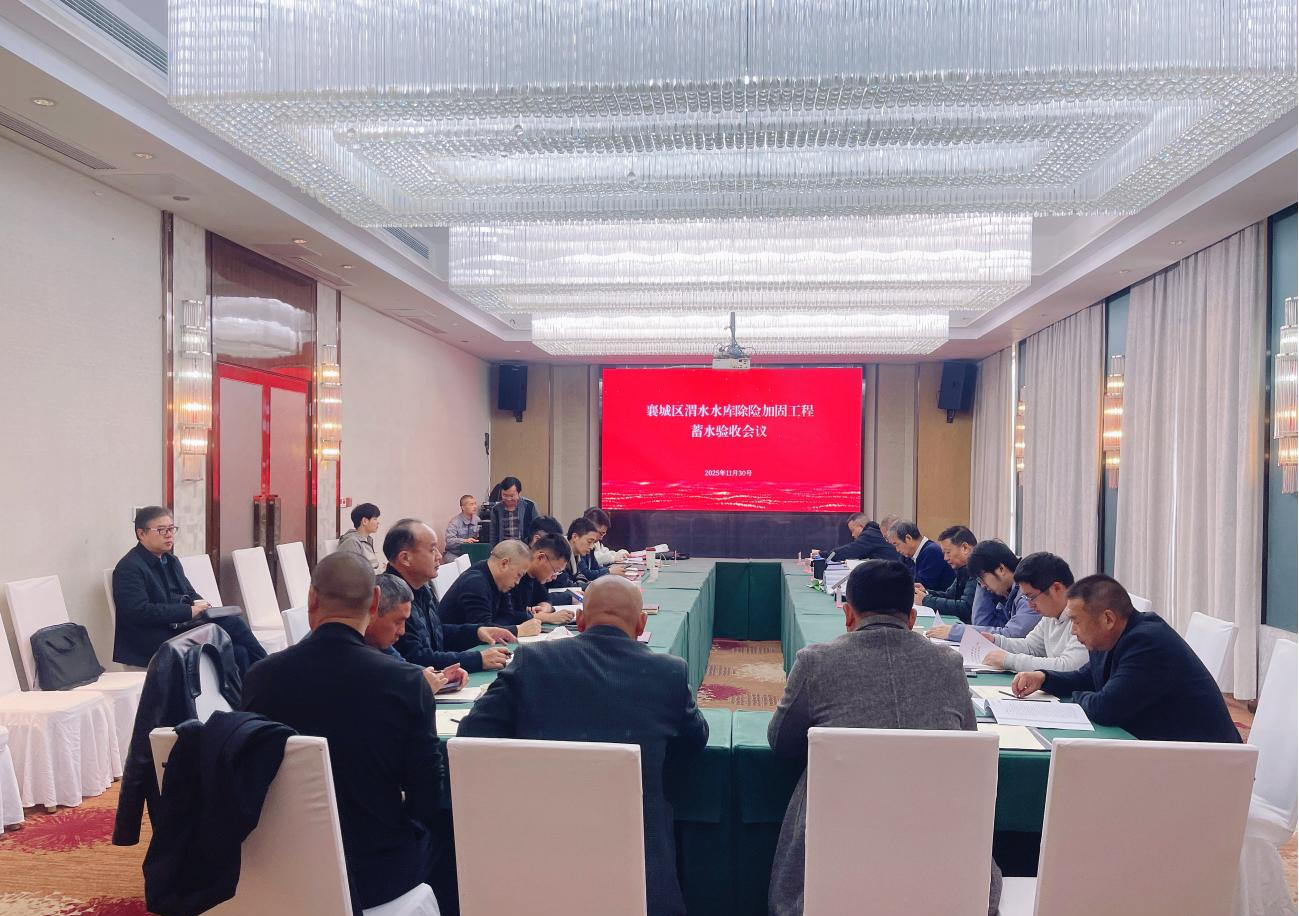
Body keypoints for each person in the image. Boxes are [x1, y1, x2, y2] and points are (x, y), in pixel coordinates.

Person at [458, 575, 708, 916]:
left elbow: (473, 734)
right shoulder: (669, 673)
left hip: (536, 851)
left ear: (579, 620)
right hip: (642, 867)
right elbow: (695, 741)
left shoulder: (532, 660)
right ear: (641, 625)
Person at [767, 559, 1001, 916]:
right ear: (912, 618)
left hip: (833, 865)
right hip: (942, 865)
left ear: (848, 615)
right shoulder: (948, 665)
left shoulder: (817, 662)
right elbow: (965, 748)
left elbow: (782, 742)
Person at [240, 552, 455, 912]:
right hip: (377, 873)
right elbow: (426, 800)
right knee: (448, 835)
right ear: (374, 601)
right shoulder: (405, 682)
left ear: (312, 599)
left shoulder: (260, 677)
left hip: (289, 863)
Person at [1011, 575, 1242, 743]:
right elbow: (1088, 677)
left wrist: (1076, 698)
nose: (1073, 630)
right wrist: (1044, 678)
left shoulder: (1147, 643)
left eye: (1076, 621)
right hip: (1168, 751)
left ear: (1108, 619)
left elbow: (1106, 708)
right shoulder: (1112, 635)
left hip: (1206, 765)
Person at [112, 506, 267, 671]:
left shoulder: (171, 561)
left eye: (171, 529)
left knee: (239, 652)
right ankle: (268, 669)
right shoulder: (129, 568)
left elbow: (190, 593)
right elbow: (140, 612)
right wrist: (188, 611)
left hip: (178, 628)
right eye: (161, 530)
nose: (169, 534)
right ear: (141, 533)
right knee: (233, 623)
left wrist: (202, 606)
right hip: (152, 640)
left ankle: (256, 683)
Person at [383, 518, 516, 674]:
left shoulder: (422, 588)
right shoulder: (392, 599)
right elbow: (415, 658)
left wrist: (477, 632)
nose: (439, 556)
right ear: (405, 558)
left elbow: (437, 633)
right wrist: (477, 659)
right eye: (432, 549)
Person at [978, 552, 1087, 673]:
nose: (1030, 605)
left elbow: (1068, 666)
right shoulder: (1050, 615)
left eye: (1031, 597)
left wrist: (1009, 660)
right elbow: (1031, 647)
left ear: (1056, 588)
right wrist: (996, 641)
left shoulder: (1085, 616)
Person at [366, 573, 466, 690]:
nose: (402, 631)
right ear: (373, 610)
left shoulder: (382, 644)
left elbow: (405, 669)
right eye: (397, 622)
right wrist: (419, 689)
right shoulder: (355, 655)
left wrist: (440, 676)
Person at [926, 540, 1040, 642]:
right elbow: (982, 623)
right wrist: (984, 582)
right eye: (979, 582)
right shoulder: (1006, 590)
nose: (983, 586)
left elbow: (1012, 635)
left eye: (982, 578)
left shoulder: (1029, 590)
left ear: (1001, 569)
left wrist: (958, 632)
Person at [436, 540, 541, 636]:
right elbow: (483, 632)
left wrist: (499, 626)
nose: (517, 582)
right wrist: (518, 630)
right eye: (518, 575)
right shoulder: (475, 583)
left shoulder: (499, 580)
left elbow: (508, 616)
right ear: (504, 564)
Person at [506, 533, 578, 626]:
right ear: (541, 558)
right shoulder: (514, 576)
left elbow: (545, 598)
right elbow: (507, 614)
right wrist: (547, 617)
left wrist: (544, 608)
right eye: (555, 571)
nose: (555, 577)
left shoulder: (536, 577)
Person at [916, 525, 979, 624]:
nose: (945, 558)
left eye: (948, 552)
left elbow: (965, 607)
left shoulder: (978, 569)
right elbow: (950, 595)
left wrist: (926, 600)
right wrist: (925, 593)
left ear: (965, 548)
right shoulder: (962, 569)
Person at [886, 520, 954, 591]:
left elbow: (920, 587)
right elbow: (897, 576)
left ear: (908, 538)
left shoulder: (932, 551)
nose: (897, 550)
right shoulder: (907, 555)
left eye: (896, 544)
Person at [823, 513, 901, 563]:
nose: (852, 535)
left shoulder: (869, 535)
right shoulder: (874, 532)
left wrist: (823, 554)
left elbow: (849, 551)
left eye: (853, 530)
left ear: (861, 526)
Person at [552, 516, 602, 589]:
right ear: (575, 537)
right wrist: (591, 586)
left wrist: (586, 584)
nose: (591, 547)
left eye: (593, 543)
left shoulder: (576, 555)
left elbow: (579, 575)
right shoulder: (559, 553)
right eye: (589, 542)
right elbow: (565, 584)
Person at [488, 476, 538, 545]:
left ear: (519, 493)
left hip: (524, 547)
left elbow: (536, 529)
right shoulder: (496, 509)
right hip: (503, 547)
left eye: (512, 496)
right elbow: (493, 535)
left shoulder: (530, 506)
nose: (508, 499)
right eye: (505, 495)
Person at [338, 502, 383, 573]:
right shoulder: (351, 542)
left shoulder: (367, 539)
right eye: (375, 519)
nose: (378, 522)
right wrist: (380, 571)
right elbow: (351, 572)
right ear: (364, 521)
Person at [443, 495, 481, 559]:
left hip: (471, 553)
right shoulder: (454, 522)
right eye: (471, 504)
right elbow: (449, 541)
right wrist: (465, 541)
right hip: (455, 553)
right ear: (463, 507)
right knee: (460, 563)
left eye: (475, 504)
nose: (475, 506)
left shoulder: (477, 520)